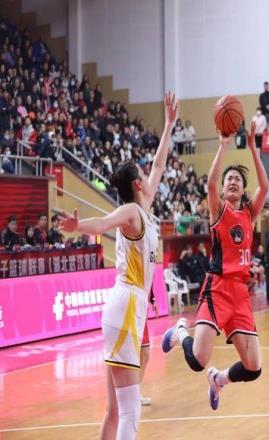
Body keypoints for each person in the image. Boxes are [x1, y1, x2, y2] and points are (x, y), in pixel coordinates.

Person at [59, 92, 177, 440]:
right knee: (129, 412)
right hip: (126, 305)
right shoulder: (131, 211)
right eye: (143, 174)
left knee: (114, 412)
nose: (149, 175)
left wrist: (169, 125)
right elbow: (103, 223)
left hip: (128, 308)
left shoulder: (144, 207)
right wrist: (78, 227)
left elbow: (159, 165)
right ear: (137, 184)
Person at [161, 120, 269, 412]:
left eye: (237, 179)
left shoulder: (249, 213)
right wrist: (222, 145)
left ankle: (219, 380)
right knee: (198, 360)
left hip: (240, 294)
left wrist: (253, 148)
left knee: (254, 367)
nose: (232, 181)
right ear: (223, 188)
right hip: (218, 288)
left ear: (243, 189)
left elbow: (265, 186)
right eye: (228, 179)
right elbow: (209, 184)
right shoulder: (219, 210)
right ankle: (179, 333)